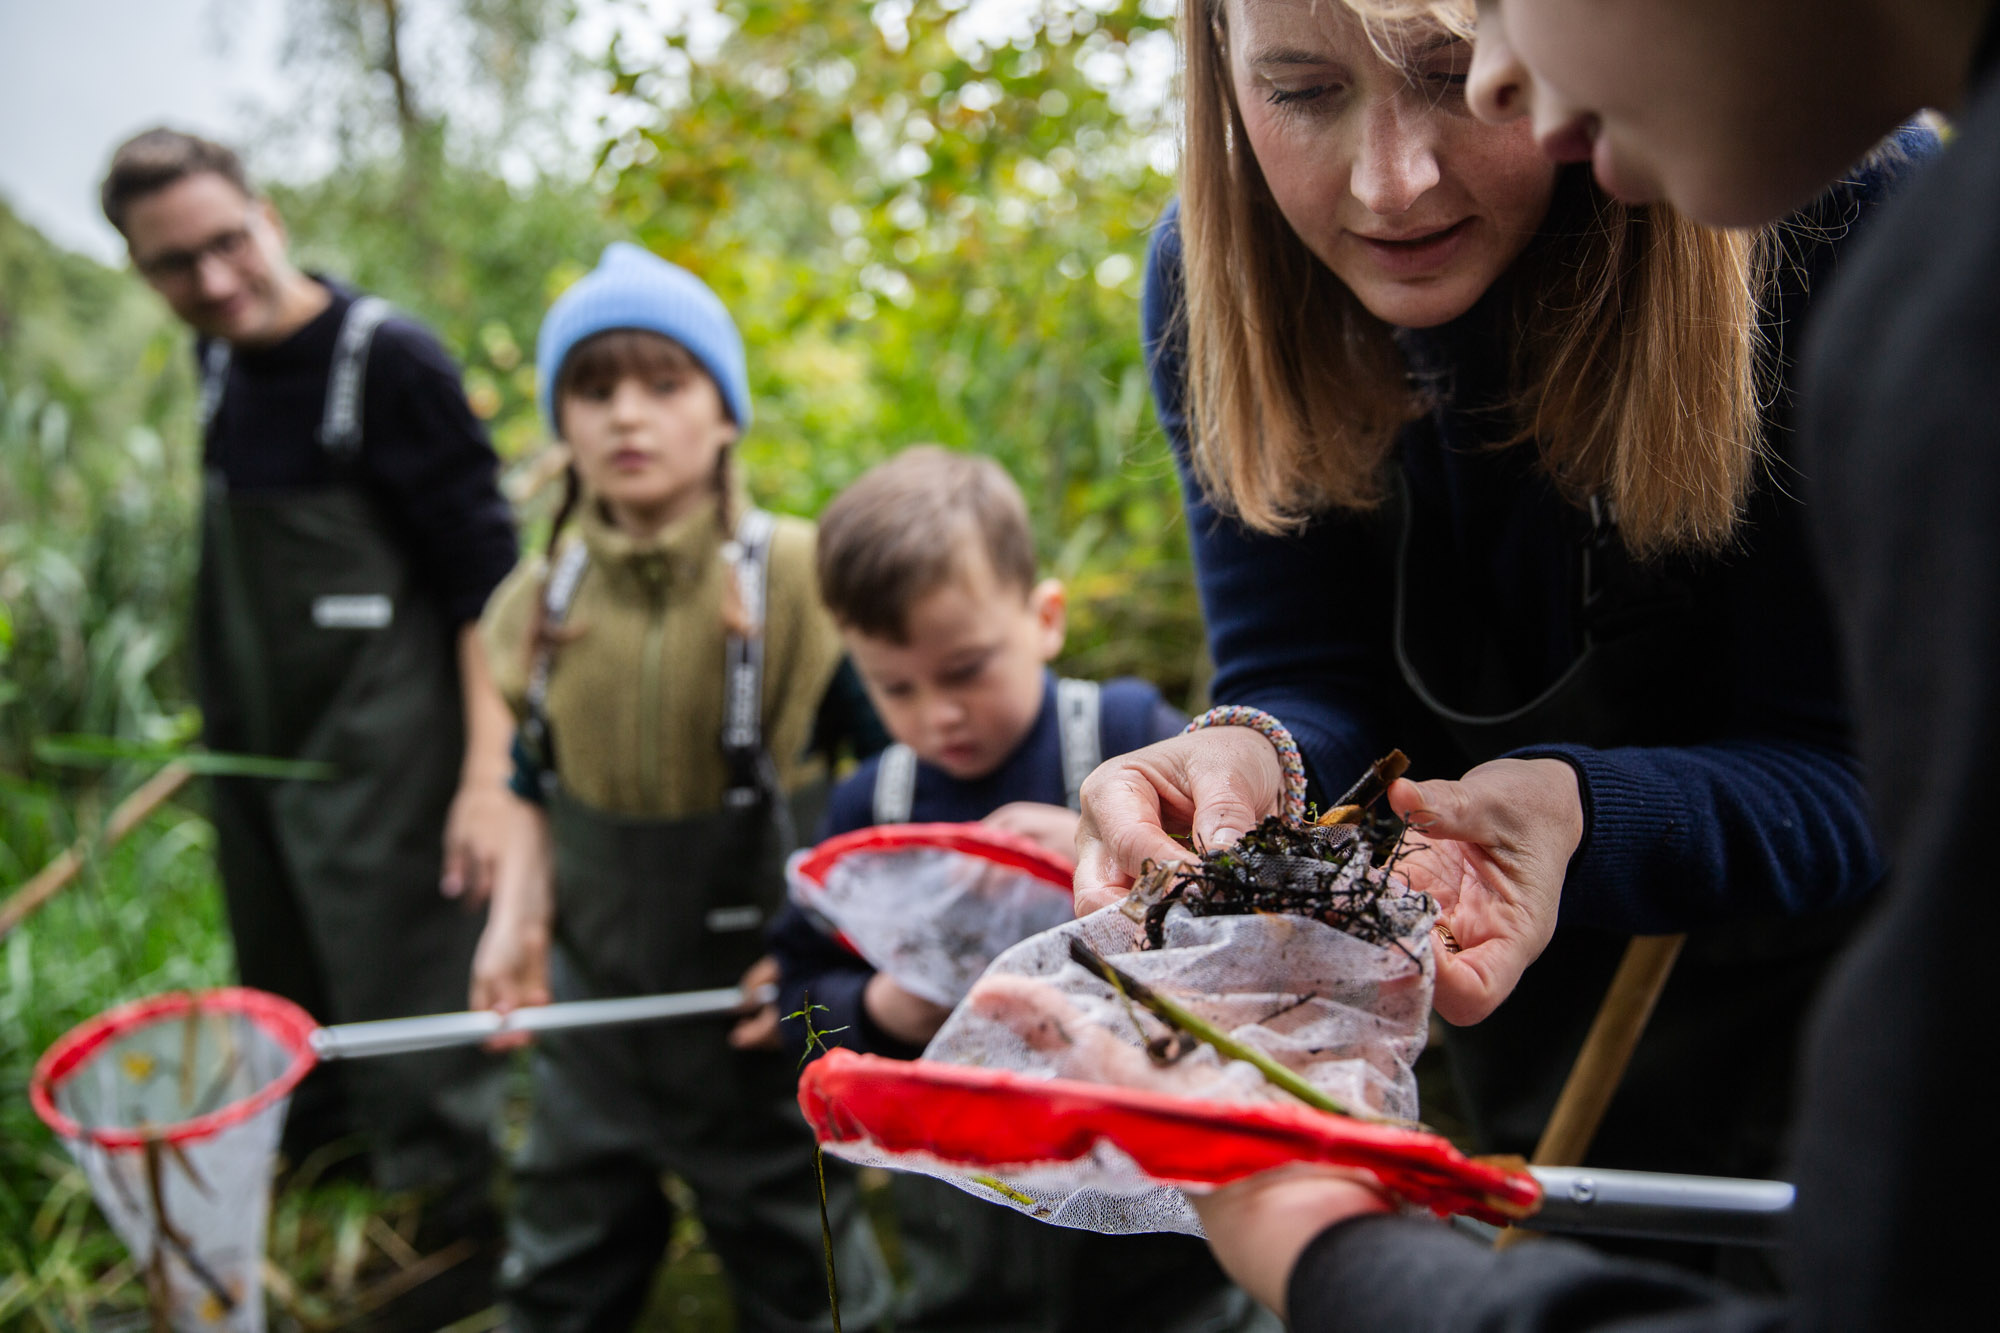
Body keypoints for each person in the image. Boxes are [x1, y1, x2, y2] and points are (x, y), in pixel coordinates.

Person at [1138, 0, 1991, 1326]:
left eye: (1458, 73)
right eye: (1301, 92)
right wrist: (1252, 749)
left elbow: (1874, 773)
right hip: (1495, 989)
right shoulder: (1216, 282)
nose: (1393, 180)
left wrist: (1586, 814)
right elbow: (1308, 666)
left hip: (1832, 1025)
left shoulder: (1833, 215)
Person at [101, 127, 513, 1298]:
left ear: (268, 214)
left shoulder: (390, 365)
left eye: (228, 243)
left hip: (396, 747)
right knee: (283, 966)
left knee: (406, 985)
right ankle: (329, 1196)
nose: (215, 283)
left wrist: (486, 781)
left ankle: (456, 1245)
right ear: (142, 272)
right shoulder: (218, 362)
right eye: (176, 265)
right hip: (260, 746)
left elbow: (488, 592)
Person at [470, 242, 891, 1333]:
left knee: (810, 1271)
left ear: (723, 415)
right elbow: (530, 780)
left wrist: (849, 945)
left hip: (761, 1012)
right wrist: (515, 926)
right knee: (560, 1264)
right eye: (593, 387)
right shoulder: (529, 607)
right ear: (561, 422)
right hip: (595, 1016)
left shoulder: (806, 578)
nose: (626, 415)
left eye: (663, 383)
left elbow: (891, 777)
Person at [759, 445, 1271, 1333]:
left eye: (964, 670)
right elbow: (796, 993)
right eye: (894, 687)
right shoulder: (867, 809)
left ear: (1044, 617)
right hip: (965, 1227)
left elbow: (1247, 927)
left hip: (1153, 1215)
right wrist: (880, 1007)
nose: (936, 714)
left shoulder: (1124, 740)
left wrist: (1107, 853)